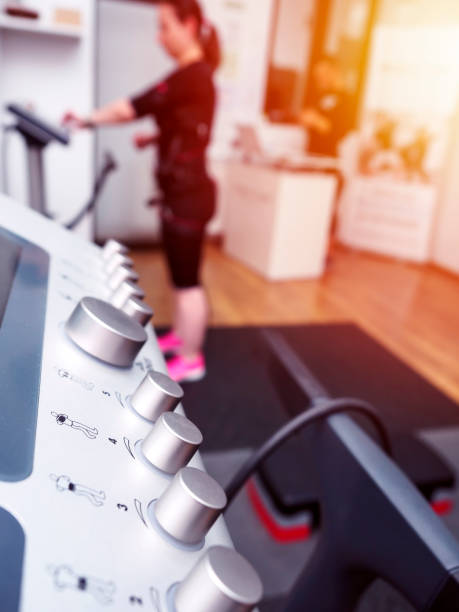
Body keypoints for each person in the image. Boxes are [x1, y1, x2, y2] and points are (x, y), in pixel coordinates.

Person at [63, 0, 220, 383]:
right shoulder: (191, 78)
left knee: (187, 283)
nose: (159, 36)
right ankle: (181, 337)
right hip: (179, 195)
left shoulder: (192, 76)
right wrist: (153, 138)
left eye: (165, 26)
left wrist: (86, 120)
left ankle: (191, 358)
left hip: (189, 197)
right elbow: (186, 126)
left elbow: (132, 106)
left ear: (189, 25)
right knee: (177, 278)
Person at [300, 55, 351, 157]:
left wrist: (315, 120)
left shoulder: (346, 99)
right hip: (311, 153)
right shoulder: (320, 95)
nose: (319, 79)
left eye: (322, 75)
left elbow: (338, 131)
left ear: (333, 72)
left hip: (329, 157)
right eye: (317, 76)